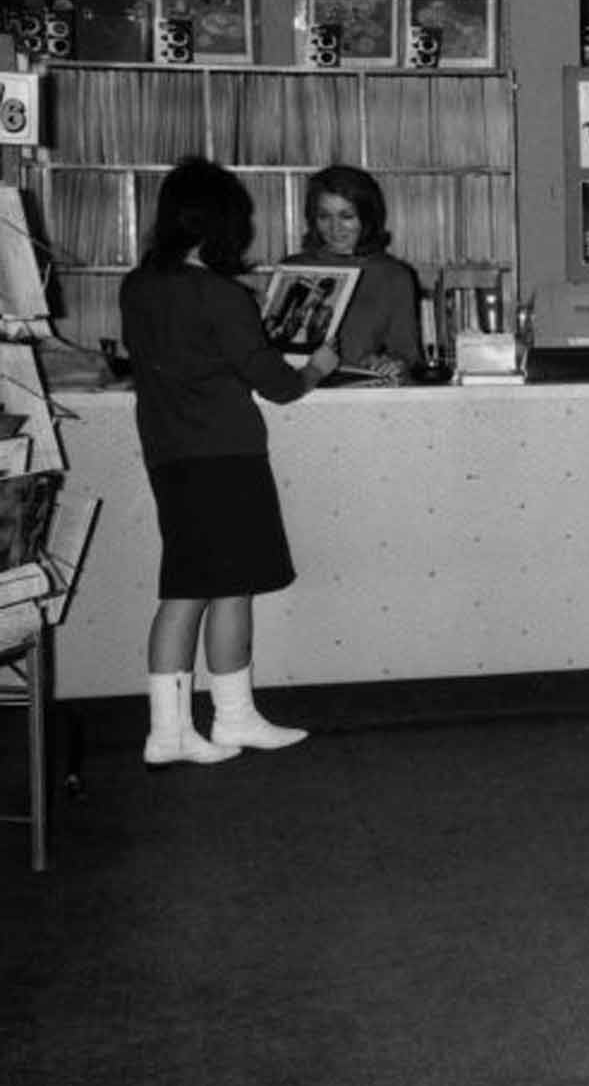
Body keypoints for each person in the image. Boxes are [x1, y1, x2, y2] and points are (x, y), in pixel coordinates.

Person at [120, 158, 340, 767]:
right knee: (227, 589)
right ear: (221, 224)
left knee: (186, 588)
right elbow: (278, 386)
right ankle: (230, 718)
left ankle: (173, 730)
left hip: (170, 456)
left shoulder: (137, 287)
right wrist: (318, 367)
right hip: (227, 456)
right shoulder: (221, 295)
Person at [283, 165, 422, 382]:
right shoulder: (292, 269)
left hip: (360, 394)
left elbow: (407, 354)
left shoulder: (394, 276)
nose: (335, 228)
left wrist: (392, 363)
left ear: (367, 218)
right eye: (324, 216)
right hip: (295, 390)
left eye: (346, 216)